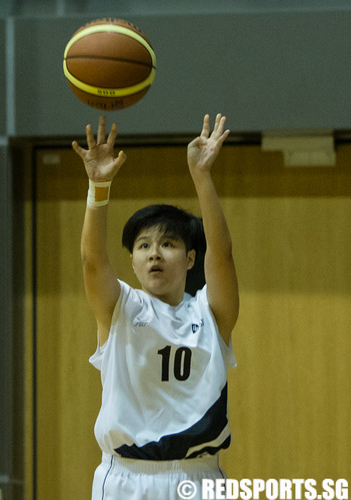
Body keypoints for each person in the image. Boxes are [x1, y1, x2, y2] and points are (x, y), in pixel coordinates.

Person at [72, 114, 239, 500]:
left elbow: (224, 255)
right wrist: (98, 186)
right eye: (143, 246)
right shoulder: (120, 307)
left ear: (191, 258)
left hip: (197, 478)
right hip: (125, 477)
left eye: (167, 244)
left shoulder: (211, 313)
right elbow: (92, 261)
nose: (154, 255)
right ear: (131, 262)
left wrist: (202, 176)